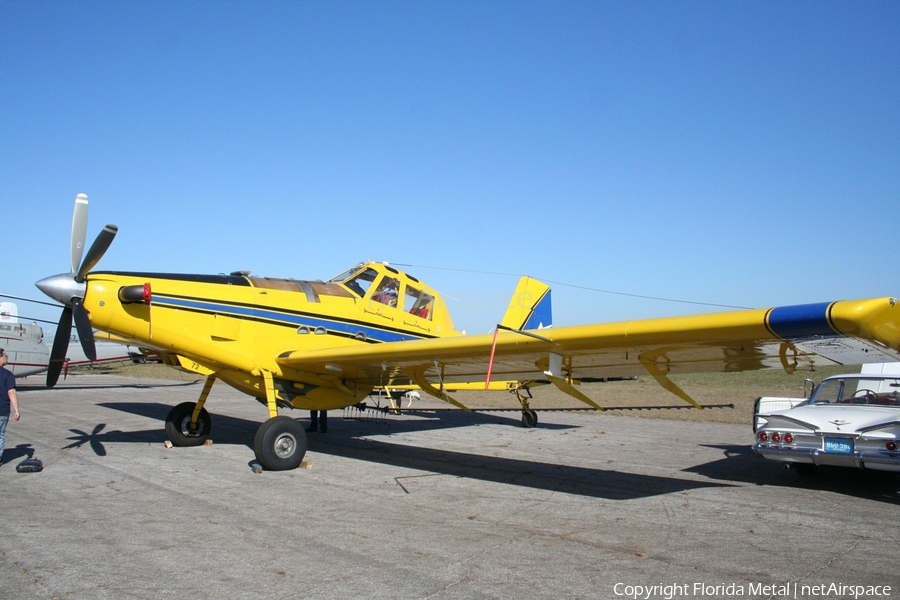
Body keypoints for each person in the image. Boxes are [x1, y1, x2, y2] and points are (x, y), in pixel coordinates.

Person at [0, 349, 21, 466]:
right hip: (2, 410)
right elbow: (11, 392)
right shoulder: (7, 375)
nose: (7, 358)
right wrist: (16, 410)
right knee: (0, 435)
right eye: (5, 356)